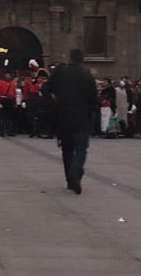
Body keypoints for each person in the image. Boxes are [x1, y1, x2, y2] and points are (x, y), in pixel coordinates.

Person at [46, 49, 99, 194]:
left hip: (63, 117)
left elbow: (46, 88)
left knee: (67, 149)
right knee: (81, 149)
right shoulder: (87, 76)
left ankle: (70, 179)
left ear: (70, 58)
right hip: (81, 119)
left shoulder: (60, 71)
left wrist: (54, 102)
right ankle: (75, 173)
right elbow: (94, 100)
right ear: (82, 60)